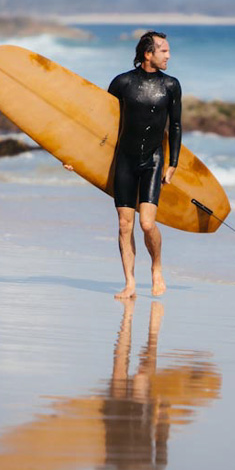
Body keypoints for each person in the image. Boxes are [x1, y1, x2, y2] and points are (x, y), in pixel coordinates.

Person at [65, 31, 182, 298]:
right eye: (163, 50)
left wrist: (172, 163)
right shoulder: (122, 83)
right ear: (147, 54)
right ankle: (130, 283)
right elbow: (101, 127)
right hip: (125, 161)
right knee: (124, 224)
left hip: (152, 160)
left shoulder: (171, 86)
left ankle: (156, 267)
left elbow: (175, 126)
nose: (168, 55)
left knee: (147, 224)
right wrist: (77, 157)